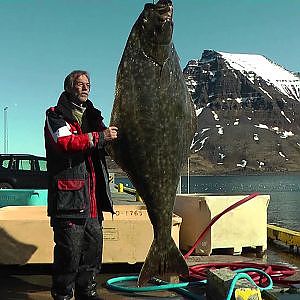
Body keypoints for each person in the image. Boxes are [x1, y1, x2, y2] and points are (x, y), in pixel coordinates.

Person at [44, 70, 118, 300]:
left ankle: (88, 293)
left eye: (88, 84)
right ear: (69, 87)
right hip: (69, 201)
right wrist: (99, 137)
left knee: (93, 253)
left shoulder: (94, 117)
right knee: (69, 254)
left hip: (93, 202)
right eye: (80, 84)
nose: (85, 88)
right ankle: (63, 295)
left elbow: (105, 145)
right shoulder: (55, 115)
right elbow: (65, 142)